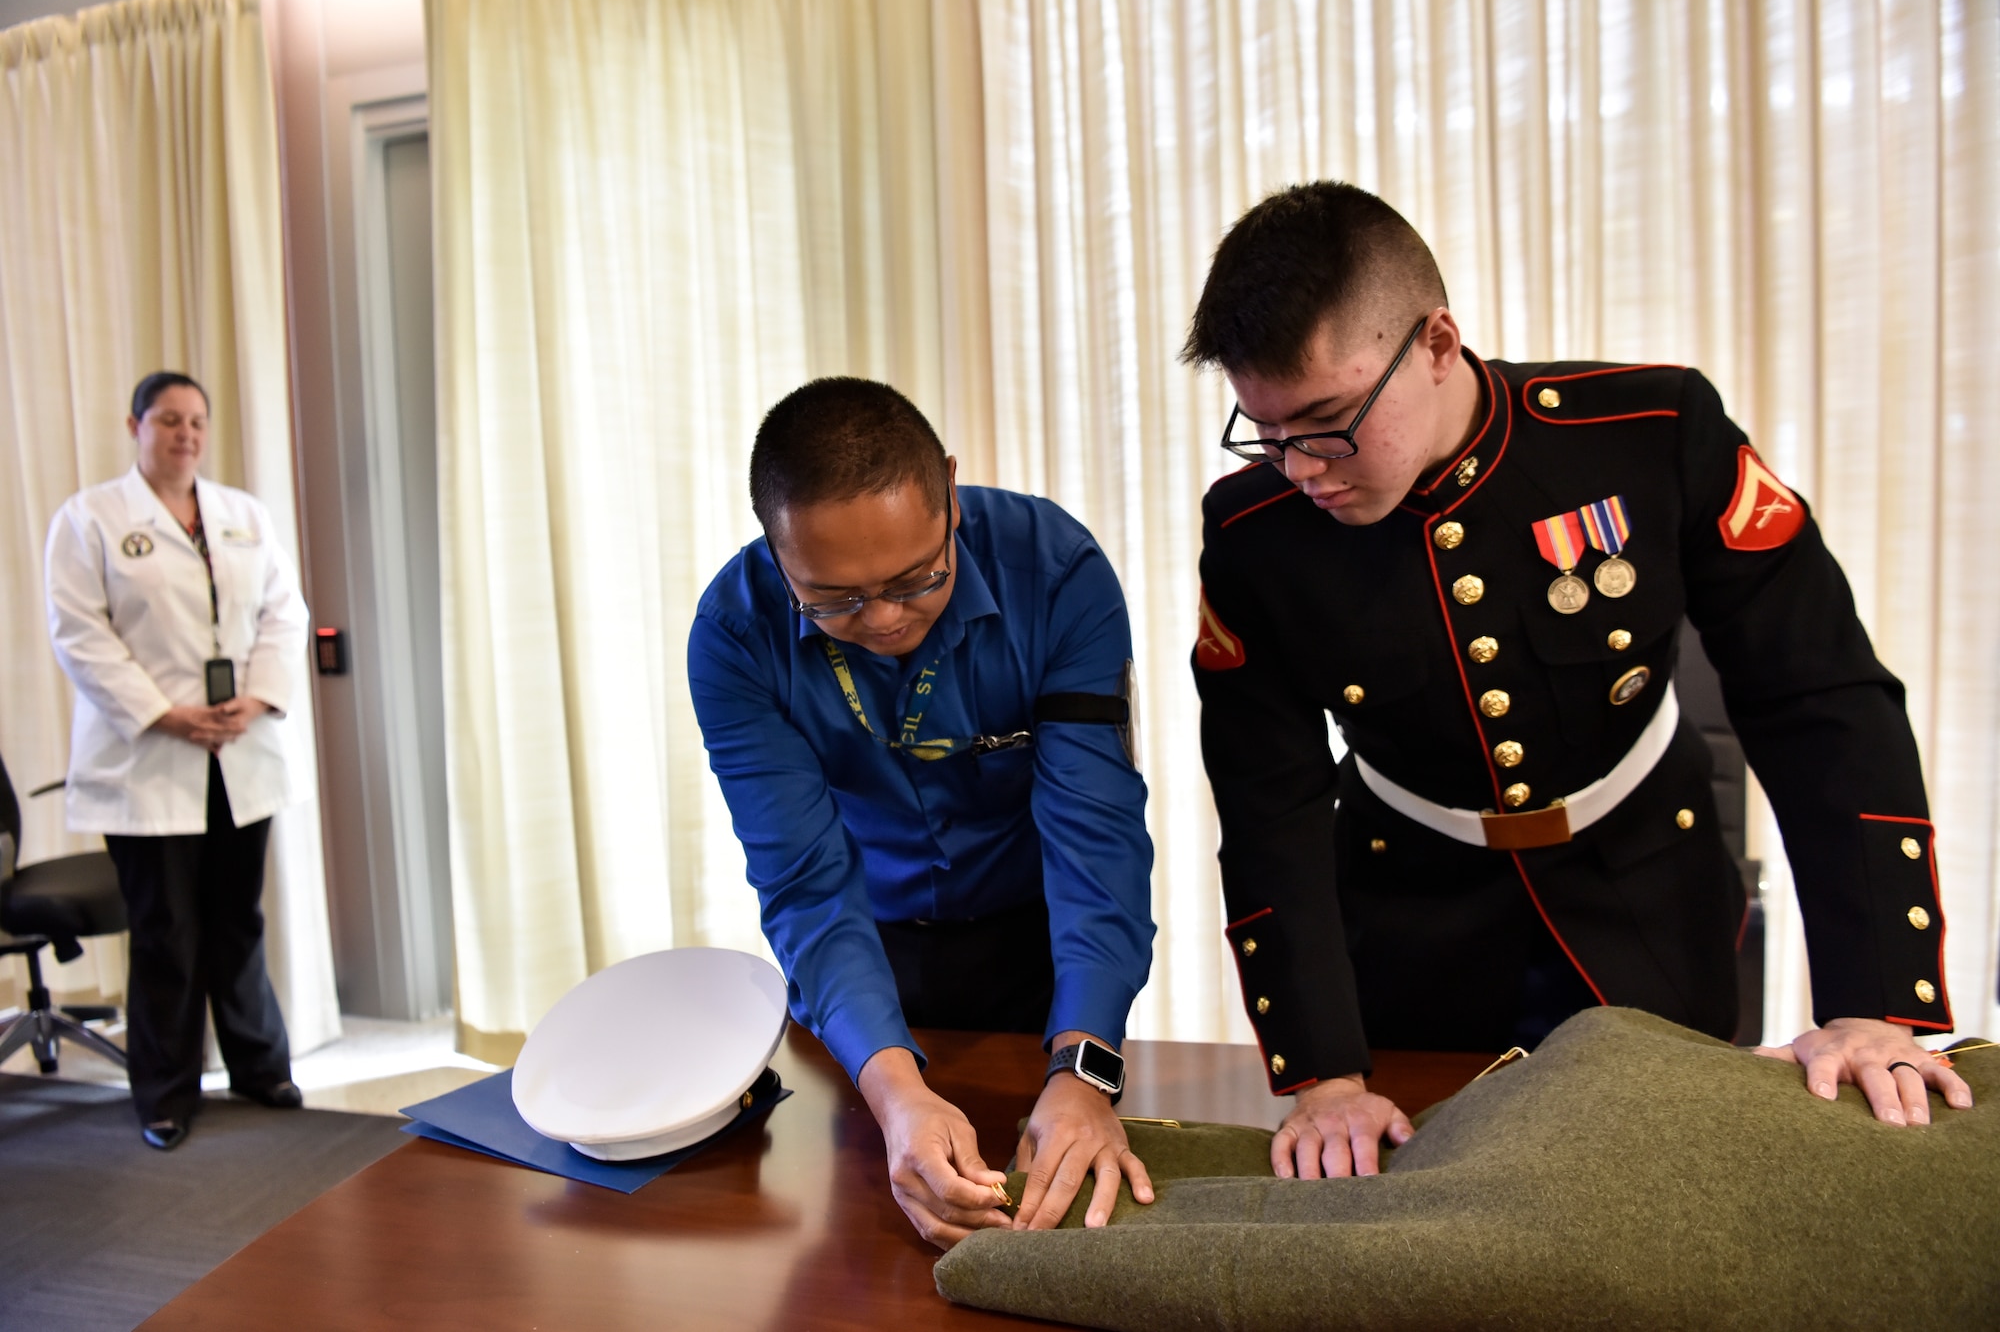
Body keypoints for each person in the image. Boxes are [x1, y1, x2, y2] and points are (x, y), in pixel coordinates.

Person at [1181, 182, 1972, 1180]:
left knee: (1662, 1203)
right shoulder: (1253, 537)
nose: (1300, 468)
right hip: (1406, 925)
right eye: (1266, 430)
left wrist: (1872, 1003)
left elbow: (1816, 698)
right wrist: (1323, 1075)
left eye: (1329, 422)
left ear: (1433, 343)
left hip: (1643, 898)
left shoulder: (1647, 431)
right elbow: (1269, 801)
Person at [688, 377, 1156, 1248]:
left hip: (1040, 936)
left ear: (947, 485)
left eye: (916, 578)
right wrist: (897, 1094)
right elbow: (803, 883)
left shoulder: (1057, 573)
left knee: (1059, 1210)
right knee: (869, 1234)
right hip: (866, 948)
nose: (885, 618)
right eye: (833, 600)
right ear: (776, 548)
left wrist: (1086, 1072)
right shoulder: (732, 634)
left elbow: (1097, 836)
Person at [44, 371, 310, 1151]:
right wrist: (168, 714)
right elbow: (79, 633)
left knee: (238, 921)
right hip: (149, 760)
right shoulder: (89, 518)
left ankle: (263, 1070)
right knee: (165, 929)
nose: (185, 434)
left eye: (196, 421)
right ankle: (165, 1093)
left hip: (239, 750)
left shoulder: (244, 516)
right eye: (168, 420)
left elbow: (282, 613)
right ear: (135, 425)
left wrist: (255, 699)